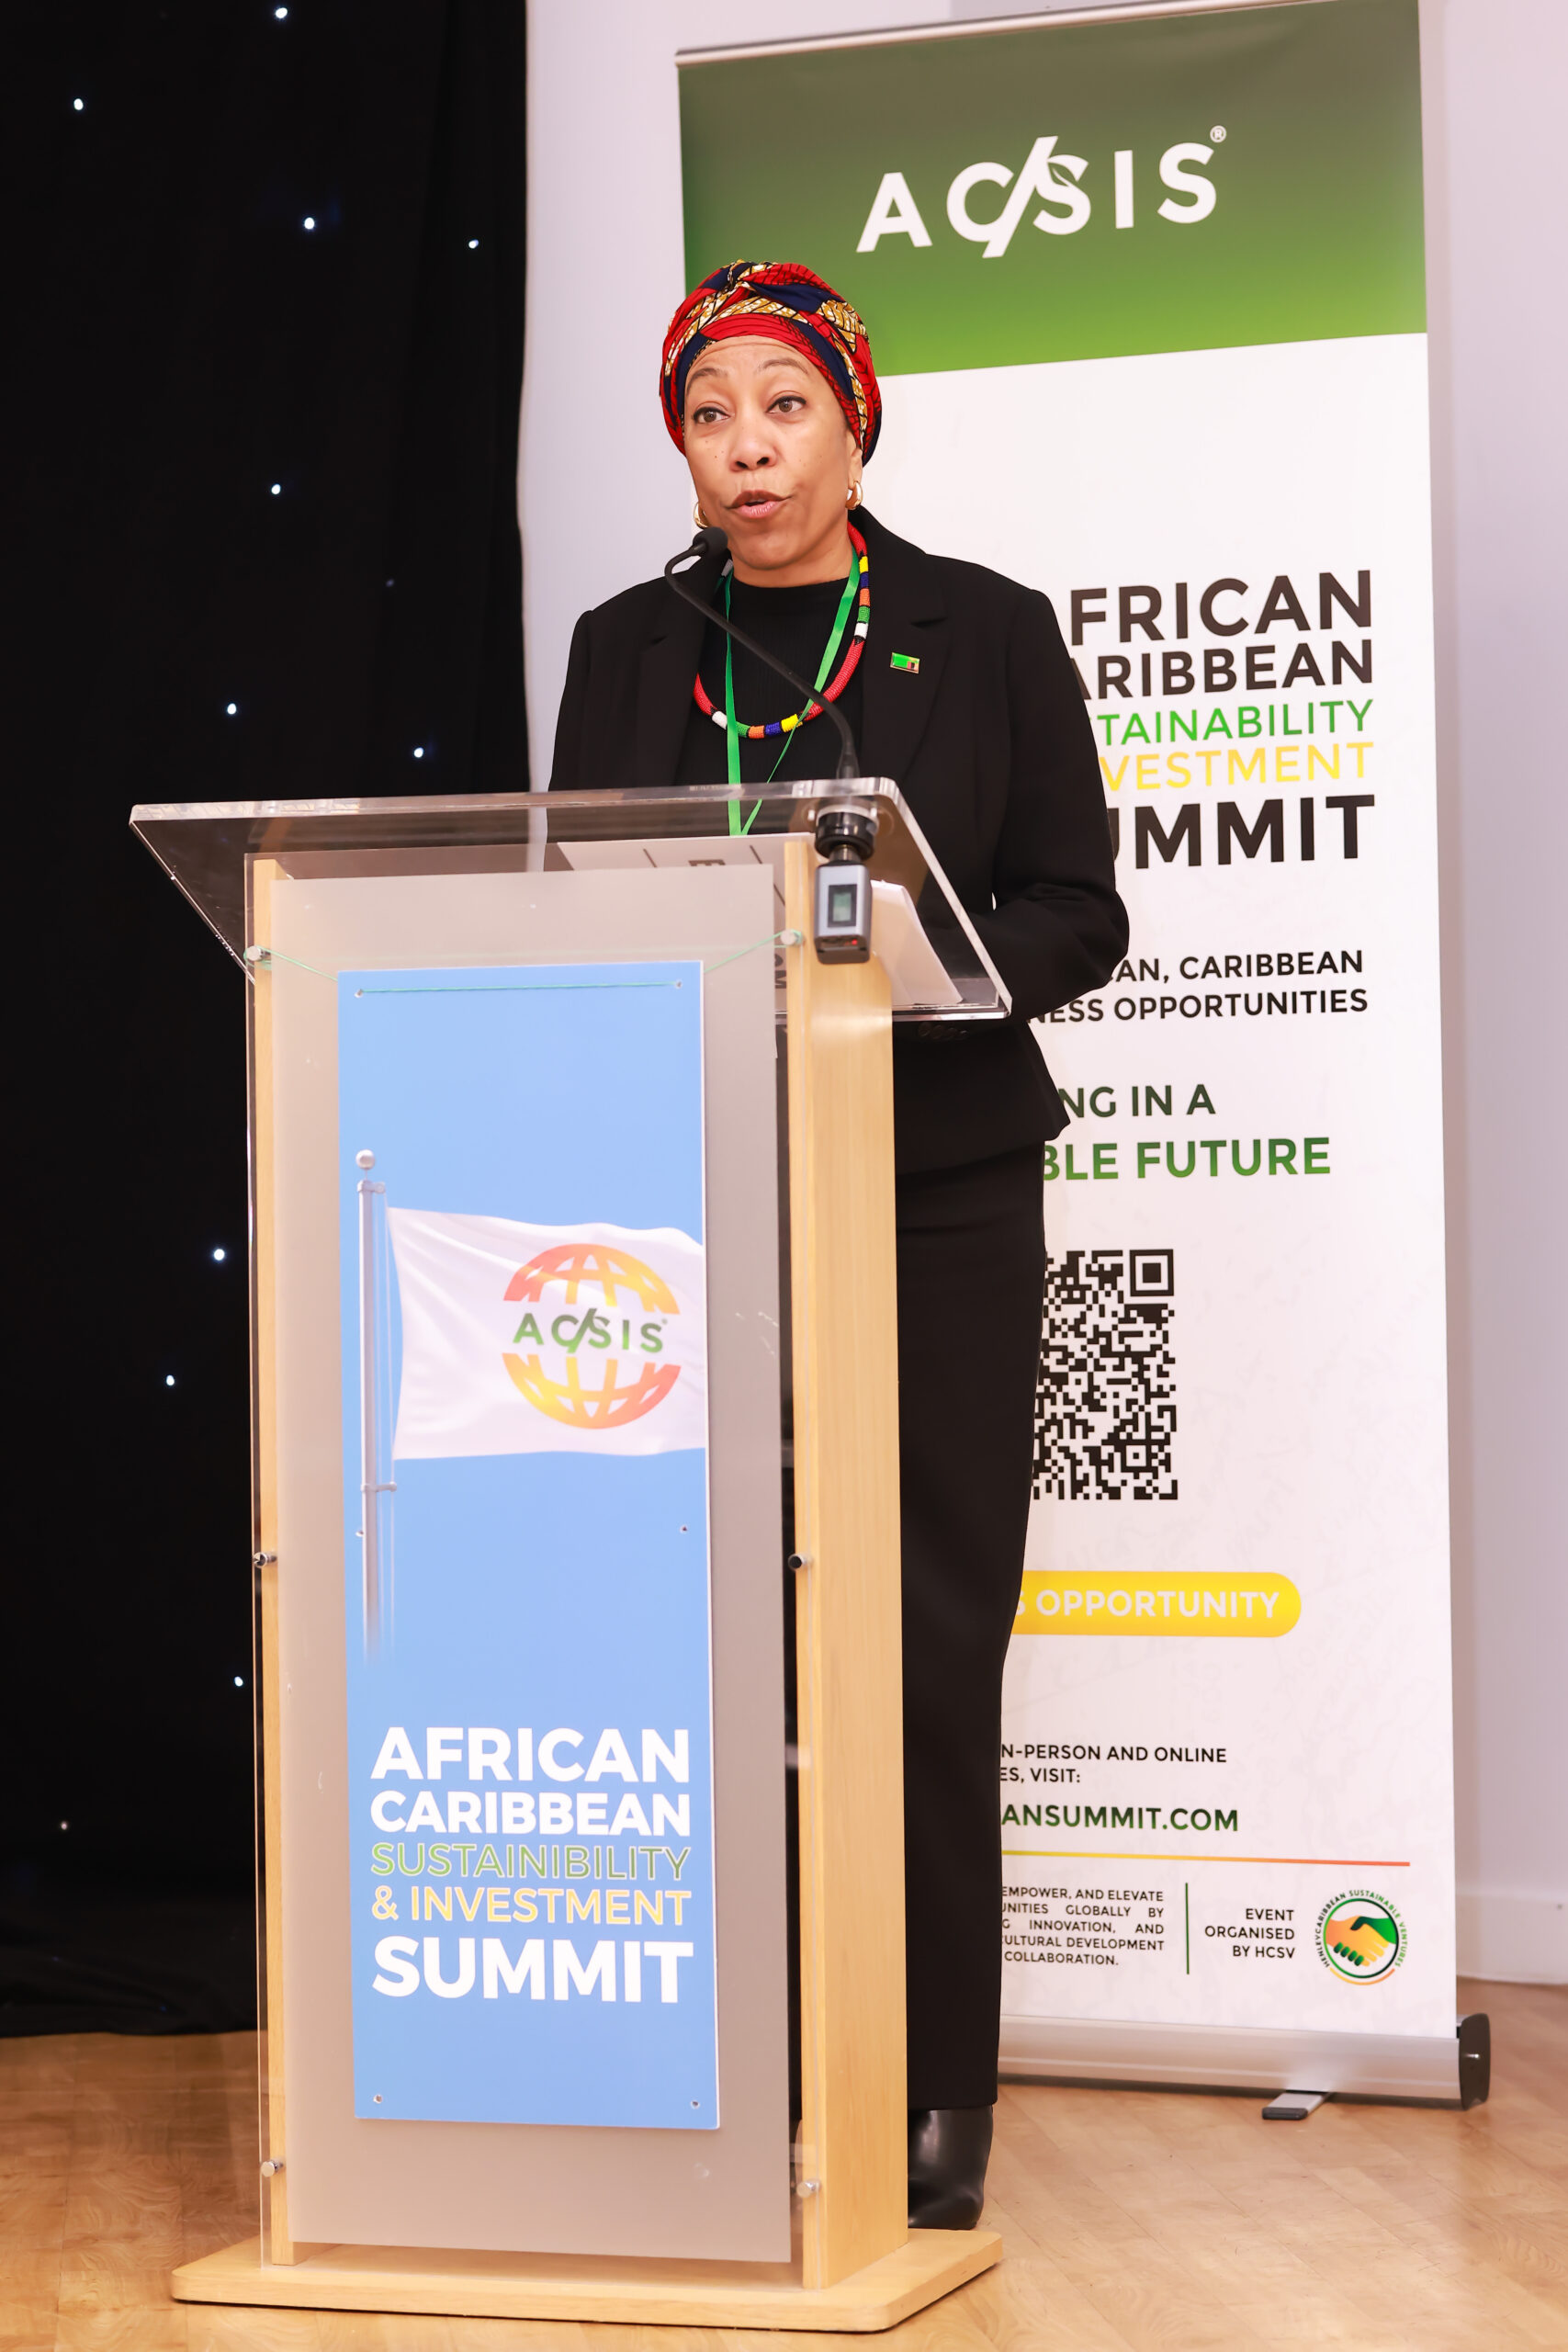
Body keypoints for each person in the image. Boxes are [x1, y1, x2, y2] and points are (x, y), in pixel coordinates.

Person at [551, 260, 1127, 2228]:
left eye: (784, 406)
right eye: (711, 414)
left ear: (854, 424)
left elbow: (1080, 909)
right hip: (695, 1180)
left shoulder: (985, 628)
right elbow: (576, 895)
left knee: (926, 1636)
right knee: (707, 1632)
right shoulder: (626, 645)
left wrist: (902, 973)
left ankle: (925, 2084)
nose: (749, 449)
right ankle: (725, 2060)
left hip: (936, 1185)